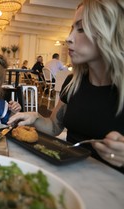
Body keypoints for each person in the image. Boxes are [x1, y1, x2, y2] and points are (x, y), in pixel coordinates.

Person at [8, 0, 124, 174]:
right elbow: (54, 127)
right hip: (69, 172)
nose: (68, 38)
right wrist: (35, 117)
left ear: (108, 33)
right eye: (71, 28)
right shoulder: (73, 82)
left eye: (81, 29)